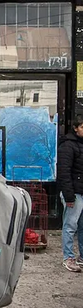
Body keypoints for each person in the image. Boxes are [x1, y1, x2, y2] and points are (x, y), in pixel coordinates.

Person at [57, 114, 83, 272]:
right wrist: (69, 196)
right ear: (75, 128)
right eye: (82, 127)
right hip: (74, 193)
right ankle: (68, 258)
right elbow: (64, 172)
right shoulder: (68, 145)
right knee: (70, 226)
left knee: (82, 227)